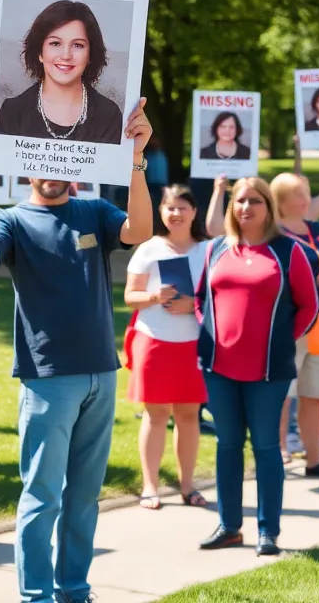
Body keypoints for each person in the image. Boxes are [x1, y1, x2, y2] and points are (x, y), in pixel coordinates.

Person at [0, 94, 153, 603]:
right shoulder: (11, 220)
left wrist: (136, 158)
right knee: (43, 497)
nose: (50, 170)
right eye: (40, 160)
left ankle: (74, 590)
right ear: (26, 164)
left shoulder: (94, 211)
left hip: (101, 374)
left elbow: (140, 230)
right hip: (48, 380)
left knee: (85, 498)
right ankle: (36, 596)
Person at [195, 177, 319, 555]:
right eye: (239, 201)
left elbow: (310, 306)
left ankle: (268, 531)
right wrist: (211, 331)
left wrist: (281, 340)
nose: (246, 207)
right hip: (219, 367)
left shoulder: (289, 251)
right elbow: (201, 300)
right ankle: (229, 526)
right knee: (227, 445)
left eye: (254, 201)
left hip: (268, 370)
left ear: (269, 207)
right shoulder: (216, 248)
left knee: (266, 446)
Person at [123, 185, 210, 510]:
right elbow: (130, 296)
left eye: (182, 207)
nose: (175, 214)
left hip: (193, 344)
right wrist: (153, 297)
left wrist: (194, 305)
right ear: (160, 211)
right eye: (169, 207)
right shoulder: (148, 249)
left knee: (189, 415)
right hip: (154, 341)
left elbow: (219, 297)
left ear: (194, 211)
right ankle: (150, 487)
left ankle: (188, 486)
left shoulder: (208, 250)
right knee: (155, 414)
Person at [268, 165, 319, 478]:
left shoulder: (317, 230)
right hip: (289, 324)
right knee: (283, 394)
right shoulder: (272, 233)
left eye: (306, 193)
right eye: (298, 194)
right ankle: (280, 451)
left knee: (315, 393)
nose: (306, 199)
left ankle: (313, 460)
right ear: (281, 199)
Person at [0, 0, 124, 144]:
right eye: (55, 43)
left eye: (77, 45)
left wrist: (135, 154)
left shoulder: (109, 115)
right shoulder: (13, 112)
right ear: (40, 52)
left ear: (90, 55)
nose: (66, 55)